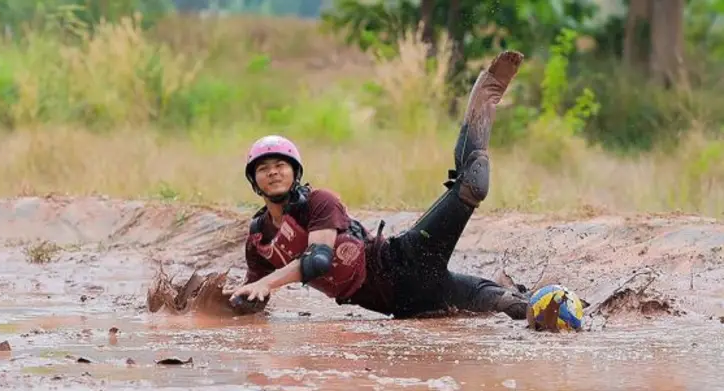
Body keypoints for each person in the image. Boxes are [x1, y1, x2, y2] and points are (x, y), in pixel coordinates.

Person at [223, 50, 529, 321]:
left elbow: (318, 260)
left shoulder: (320, 202)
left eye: (280, 166)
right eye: (263, 169)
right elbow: (255, 298)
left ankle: (487, 90)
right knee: (514, 307)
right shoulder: (259, 239)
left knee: (472, 186)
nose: (273, 173)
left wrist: (267, 282)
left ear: (295, 173)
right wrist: (233, 301)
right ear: (254, 181)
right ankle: (547, 302)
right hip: (411, 305)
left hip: (407, 258)